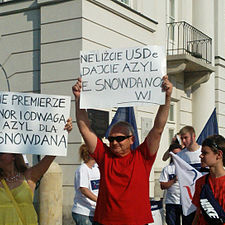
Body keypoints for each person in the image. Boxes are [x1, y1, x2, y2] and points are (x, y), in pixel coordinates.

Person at [72, 75, 173, 225]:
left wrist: (167, 98)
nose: (114, 143)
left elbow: (158, 128)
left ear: (131, 139)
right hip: (106, 222)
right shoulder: (104, 156)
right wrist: (79, 99)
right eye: (111, 139)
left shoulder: (143, 156)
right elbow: (85, 129)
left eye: (120, 139)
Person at [0, 117, 72, 225]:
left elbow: (50, 157)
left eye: (1, 153)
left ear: (13, 156)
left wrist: (63, 132)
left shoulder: (29, 177)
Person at [192, 135, 225, 225]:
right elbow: (198, 214)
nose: (201, 156)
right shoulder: (200, 182)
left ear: (219, 155)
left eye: (205, 153)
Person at [175, 126, 202, 225]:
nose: (183, 141)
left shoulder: (204, 152)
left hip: (203, 196)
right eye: (181, 138)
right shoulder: (180, 156)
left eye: (186, 137)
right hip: (188, 199)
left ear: (193, 136)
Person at [72, 144, 100, 225]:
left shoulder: (96, 168)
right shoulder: (83, 169)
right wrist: (98, 200)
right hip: (83, 212)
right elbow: (84, 189)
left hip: (94, 211)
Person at [159, 143, 183, 225]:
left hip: (184, 202)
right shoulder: (167, 169)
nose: (177, 156)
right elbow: (162, 186)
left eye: (179, 154)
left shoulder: (186, 168)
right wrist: (174, 180)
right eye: (175, 154)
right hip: (171, 202)